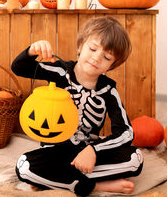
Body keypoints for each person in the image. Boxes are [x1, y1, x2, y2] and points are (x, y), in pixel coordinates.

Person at [11, 17, 143, 196]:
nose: (96, 58)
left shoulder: (108, 90)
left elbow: (126, 133)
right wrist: (33, 50)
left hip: (90, 151)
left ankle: (56, 179)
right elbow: (19, 67)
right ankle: (96, 186)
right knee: (24, 166)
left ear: (111, 66)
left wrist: (94, 150)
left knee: (135, 159)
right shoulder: (60, 72)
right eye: (93, 48)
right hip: (55, 151)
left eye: (106, 57)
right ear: (80, 46)